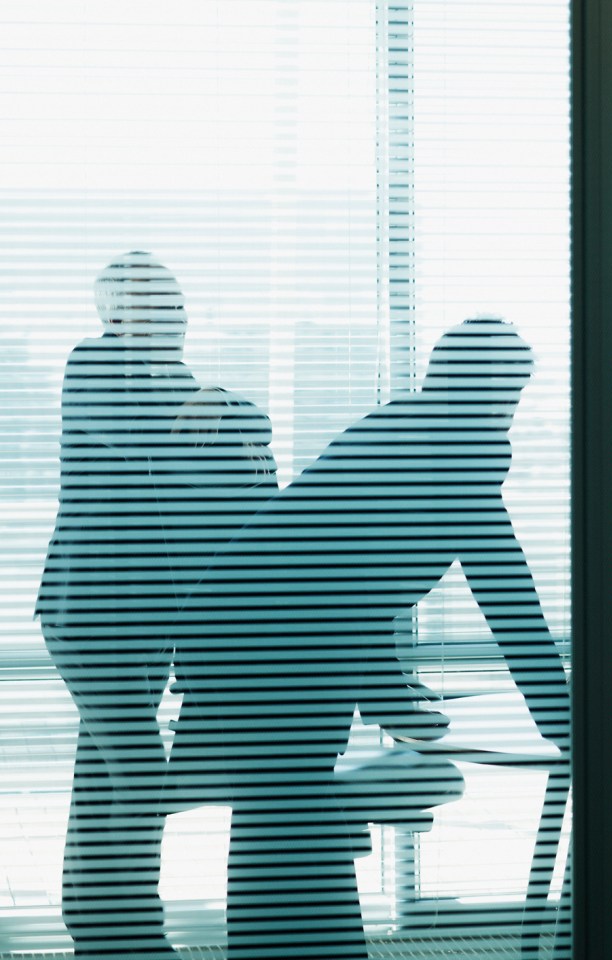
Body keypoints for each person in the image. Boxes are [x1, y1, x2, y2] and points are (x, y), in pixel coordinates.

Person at [171, 315, 566, 960]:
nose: (513, 409)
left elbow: (356, 574)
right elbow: (504, 586)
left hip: (248, 626)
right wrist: (564, 717)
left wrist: (389, 700)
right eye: (511, 390)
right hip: (277, 641)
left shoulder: (405, 426)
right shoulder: (457, 445)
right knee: (288, 817)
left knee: (280, 817)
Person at [36, 252, 272, 959]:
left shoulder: (185, 385)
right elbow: (145, 438)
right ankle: (134, 940)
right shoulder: (95, 365)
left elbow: (254, 430)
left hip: (144, 621)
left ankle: (96, 930)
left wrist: (222, 400)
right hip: (91, 612)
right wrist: (208, 412)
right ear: (113, 316)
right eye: (152, 300)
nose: (173, 309)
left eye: (175, 297)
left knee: (106, 778)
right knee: (140, 777)